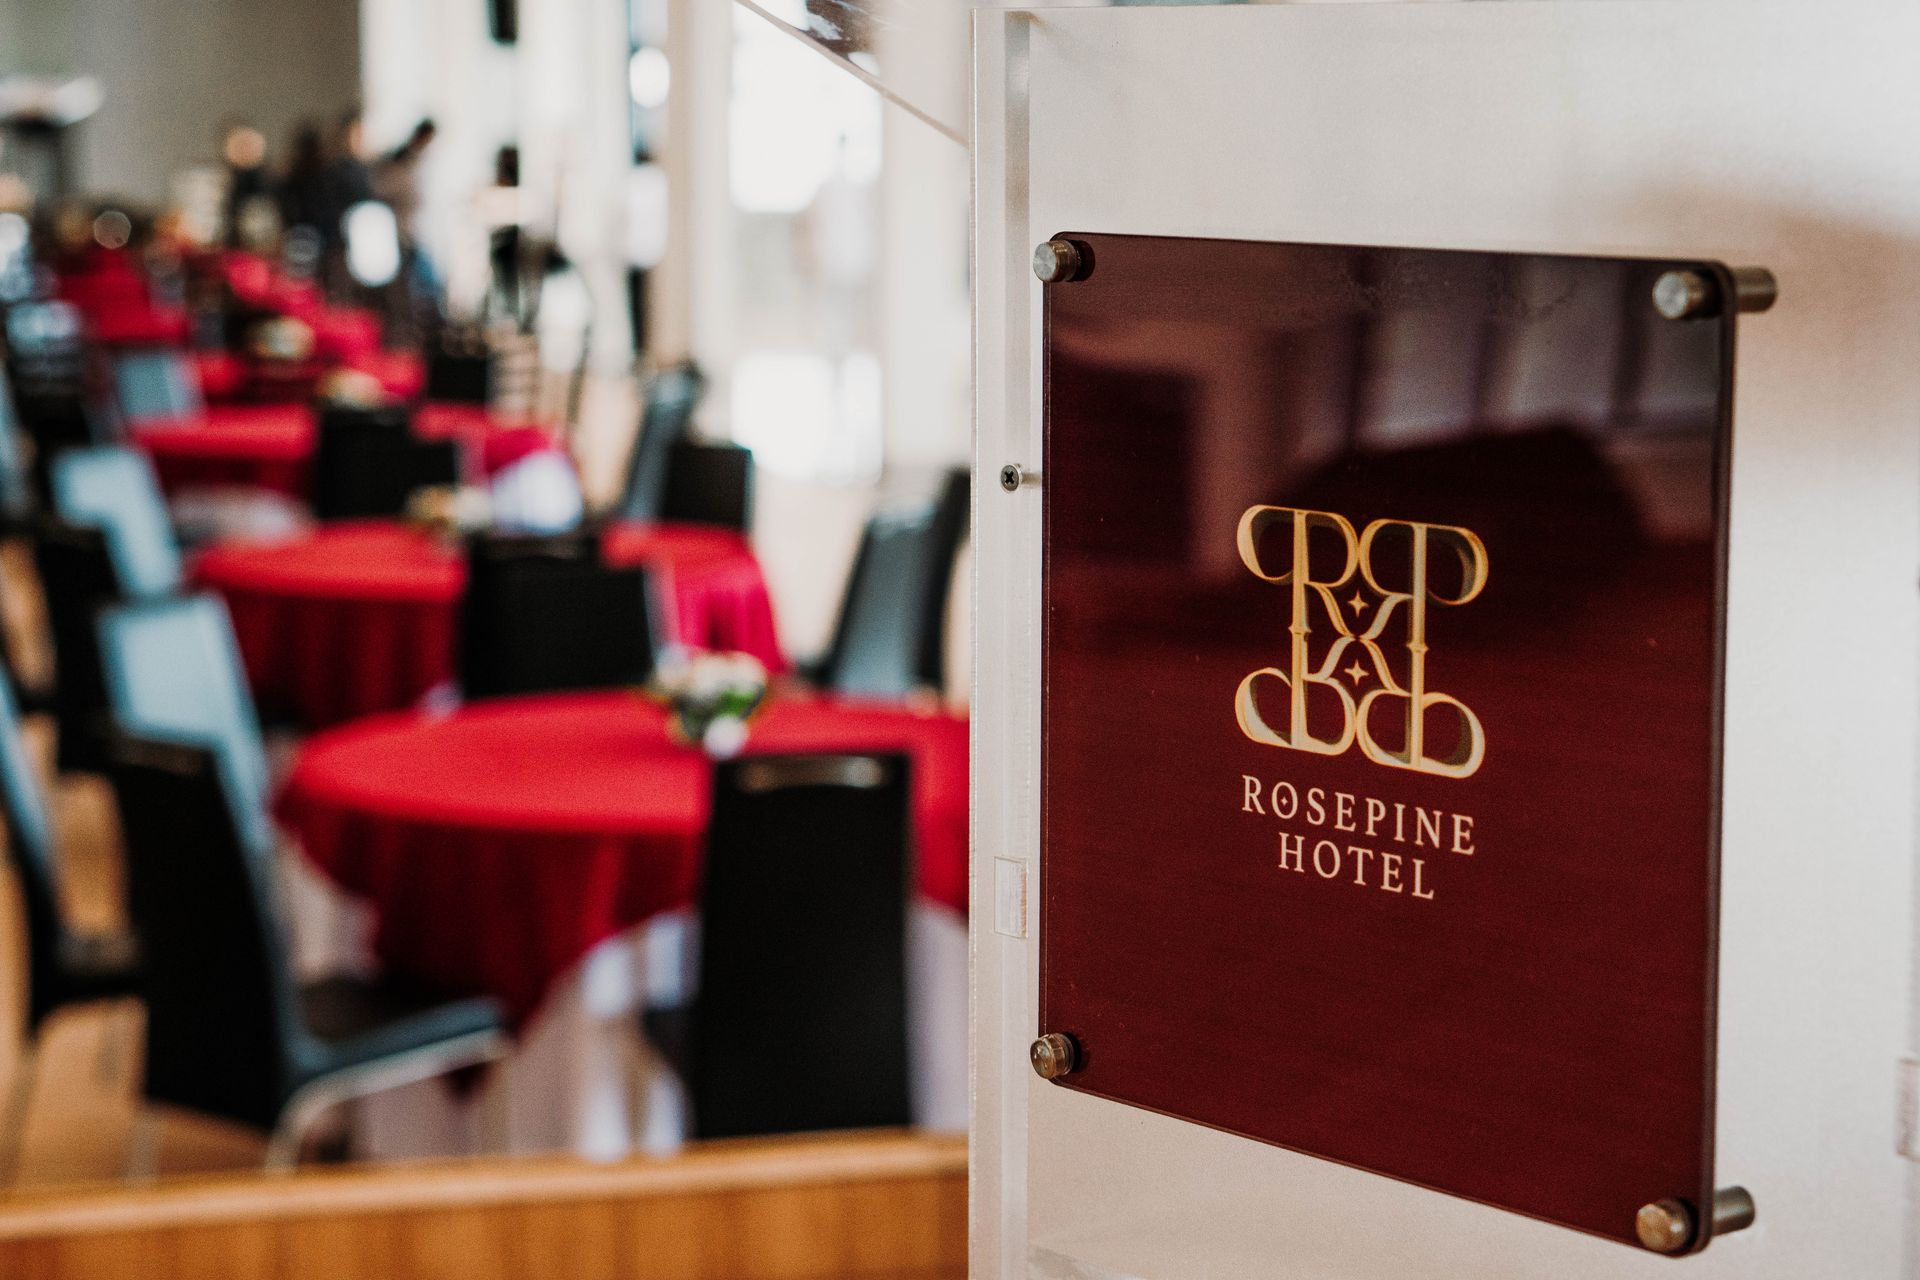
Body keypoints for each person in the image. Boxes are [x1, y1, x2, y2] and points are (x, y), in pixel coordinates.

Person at [220, 120, 270, 246]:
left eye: (248, 145)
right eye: (239, 145)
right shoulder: (220, 181)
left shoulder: (268, 183)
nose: (244, 150)